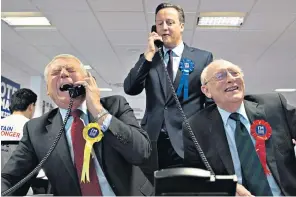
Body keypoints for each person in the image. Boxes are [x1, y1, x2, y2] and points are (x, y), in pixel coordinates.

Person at [1, 54, 152, 196]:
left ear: (88, 80)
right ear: (47, 89)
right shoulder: (35, 130)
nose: (64, 74)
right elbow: (10, 178)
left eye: (71, 70)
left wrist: (99, 112)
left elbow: (141, 153)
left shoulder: (115, 106)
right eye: (56, 72)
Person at [123, 2, 213, 183]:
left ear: (181, 25)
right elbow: (130, 89)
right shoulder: (149, 58)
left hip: (187, 141)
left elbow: (210, 101)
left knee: (186, 191)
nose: (164, 27)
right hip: (154, 141)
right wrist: (148, 55)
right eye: (159, 23)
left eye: (170, 22)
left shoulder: (202, 58)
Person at [183, 59, 296, 196]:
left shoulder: (274, 106)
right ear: (206, 91)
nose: (231, 79)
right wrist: (224, 187)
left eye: (235, 73)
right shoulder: (196, 127)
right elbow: (196, 179)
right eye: (220, 76)